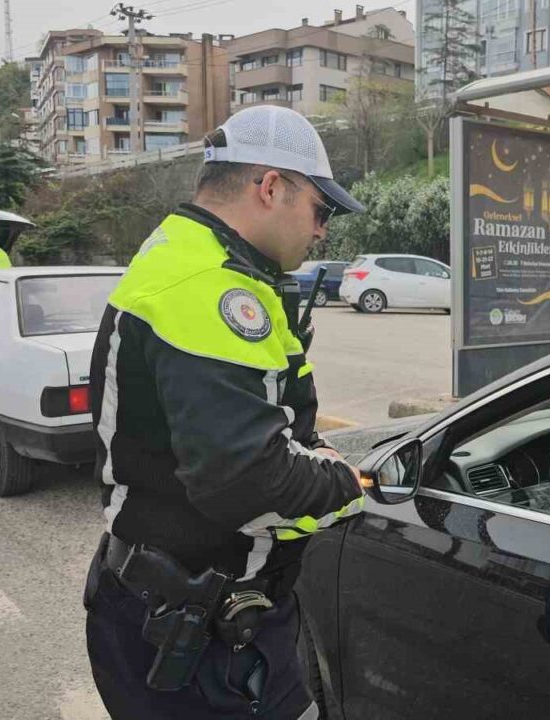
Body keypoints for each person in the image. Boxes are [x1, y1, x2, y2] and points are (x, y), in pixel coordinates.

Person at [83, 105, 367, 719]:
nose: (321, 231)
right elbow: (246, 482)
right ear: (272, 188)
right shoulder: (209, 287)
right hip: (199, 635)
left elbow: (277, 425)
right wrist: (347, 484)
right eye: (321, 210)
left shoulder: (193, 260)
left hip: (191, 612)